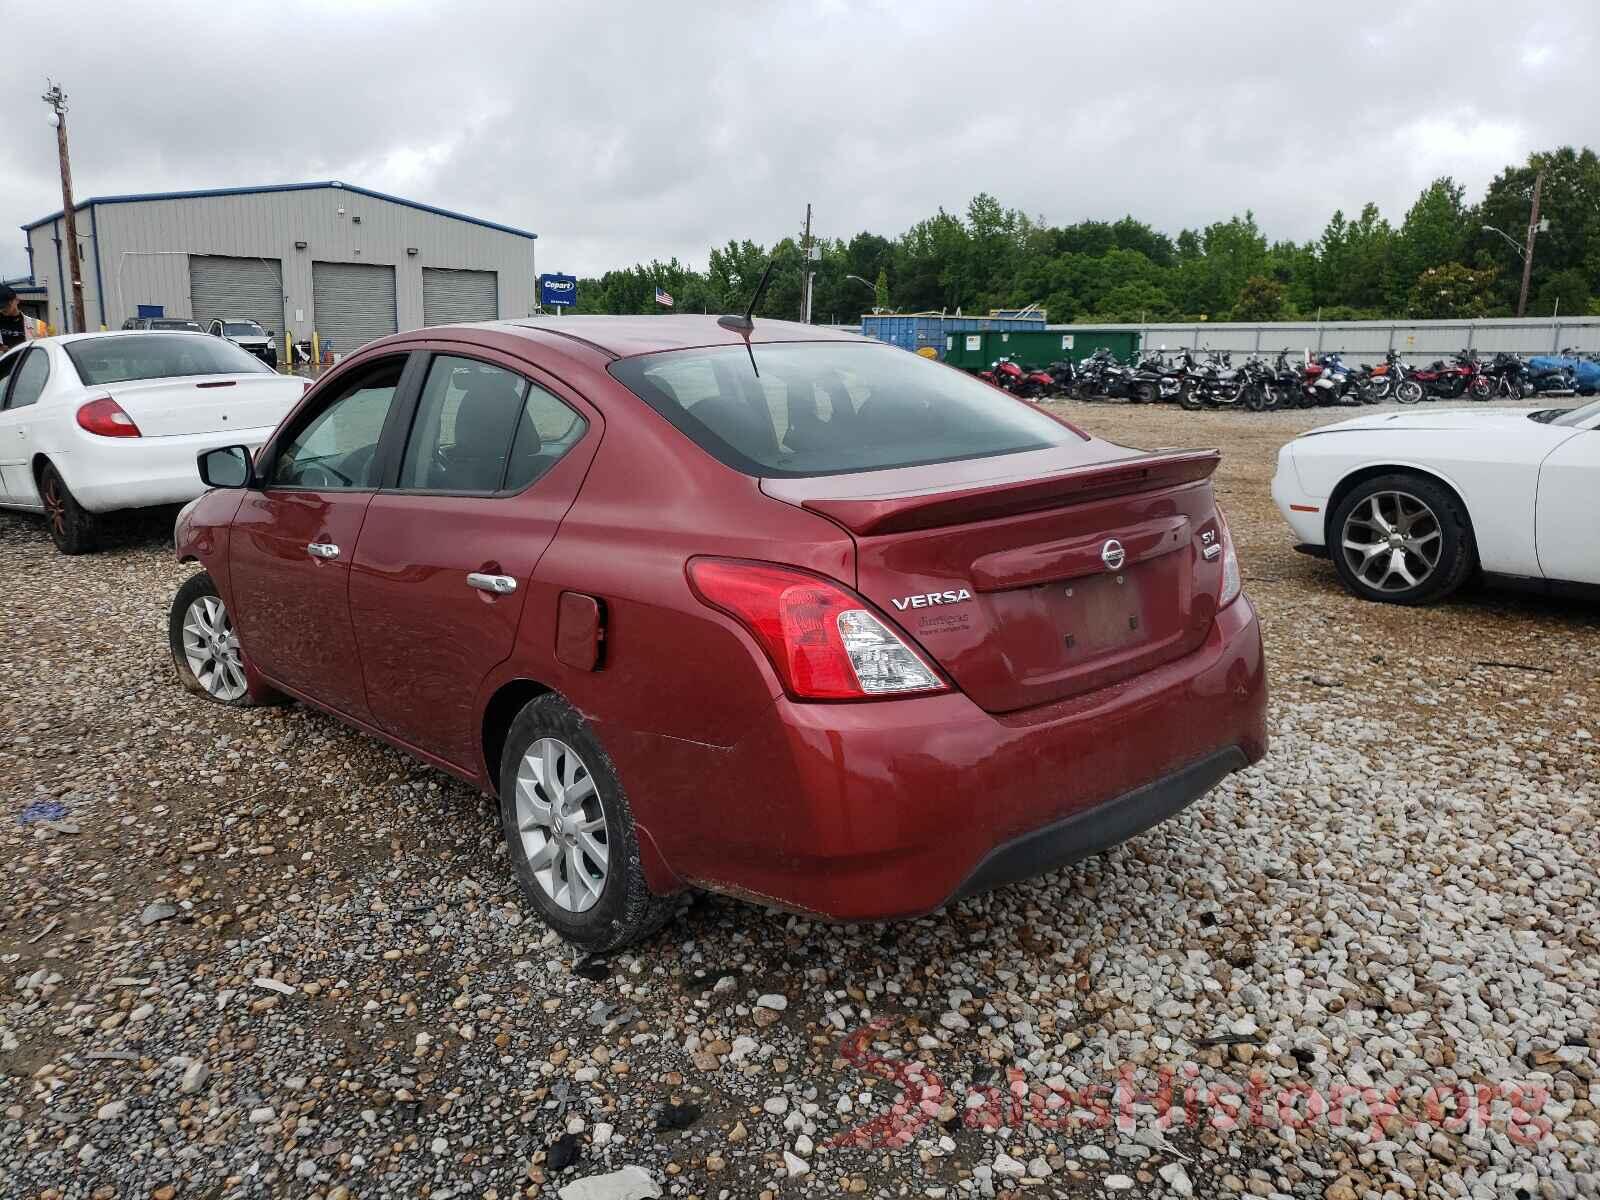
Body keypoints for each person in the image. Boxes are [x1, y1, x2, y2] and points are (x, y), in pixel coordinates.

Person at [0, 285, 29, 350]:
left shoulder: (34, 324)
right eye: (0, 307)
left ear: (17, 300)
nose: (2, 309)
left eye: (7, 305)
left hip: (25, 359)